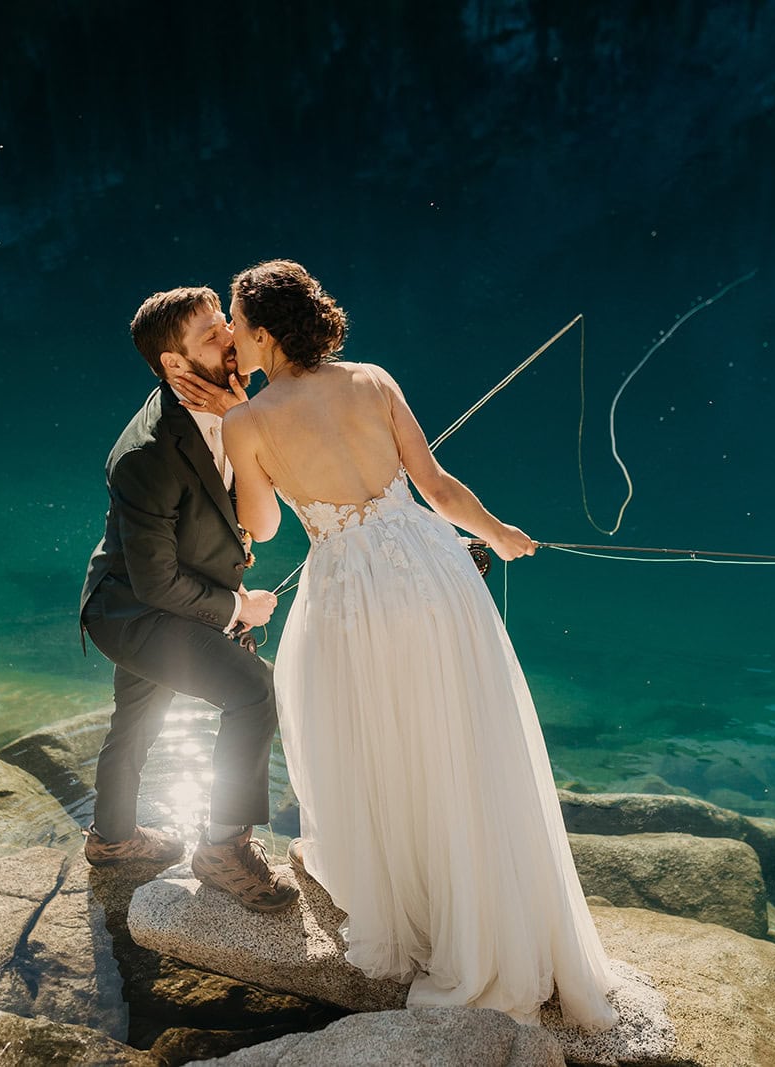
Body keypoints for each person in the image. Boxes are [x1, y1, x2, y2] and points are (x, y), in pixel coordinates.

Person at [178, 260, 620, 1029]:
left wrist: (239, 423)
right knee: (460, 737)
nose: (235, 345)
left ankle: (410, 900)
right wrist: (501, 536)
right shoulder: (374, 380)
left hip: (352, 592)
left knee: (366, 737)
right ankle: (493, 914)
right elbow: (438, 486)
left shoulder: (248, 419)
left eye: (242, 330)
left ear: (266, 333)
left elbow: (268, 524)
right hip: (435, 570)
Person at [78, 285, 300, 913]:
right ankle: (224, 849)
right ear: (174, 365)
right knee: (255, 691)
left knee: (138, 720)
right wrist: (238, 610)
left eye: (223, 326)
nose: (230, 338)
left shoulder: (222, 404)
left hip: (159, 597)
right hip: (134, 611)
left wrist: (240, 410)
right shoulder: (145, 457)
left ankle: (112, 841)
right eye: (211, 336)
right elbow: (155, 585)